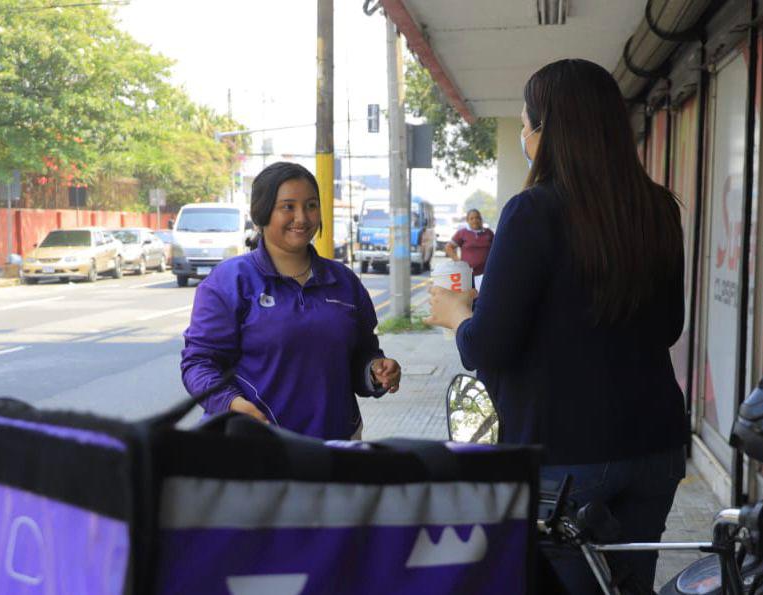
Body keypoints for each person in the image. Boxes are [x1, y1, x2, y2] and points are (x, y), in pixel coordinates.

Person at [426, 59, 688, 591]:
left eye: (526, 124)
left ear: (549, 130)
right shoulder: (659, 208)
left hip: (563, 457)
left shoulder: (532, 212)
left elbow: (488, 348)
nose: (523, 136)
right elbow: (667, 326)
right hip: (656, 443)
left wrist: (458, 315)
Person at [181, 162, 401, 440]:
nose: (302, 217)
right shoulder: (230, 281)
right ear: (262, 212)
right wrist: (232, 404)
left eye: (311, 205)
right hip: (256, 446)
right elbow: (199, 363)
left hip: (337, 446)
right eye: (288, 207)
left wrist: (376, 371)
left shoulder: (344, 282)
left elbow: (362, 355)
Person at [444, 209, 494, 289]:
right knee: (470, 298)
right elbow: (448, 247)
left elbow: (495, 249)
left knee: (484, 298)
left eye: (477, 218)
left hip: (486, 274)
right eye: (472, 218)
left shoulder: (488, 233)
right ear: (467, 220)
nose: (475, 220)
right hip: (468, 274)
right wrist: (458, 261)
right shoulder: (462, 233)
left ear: (481, 219)